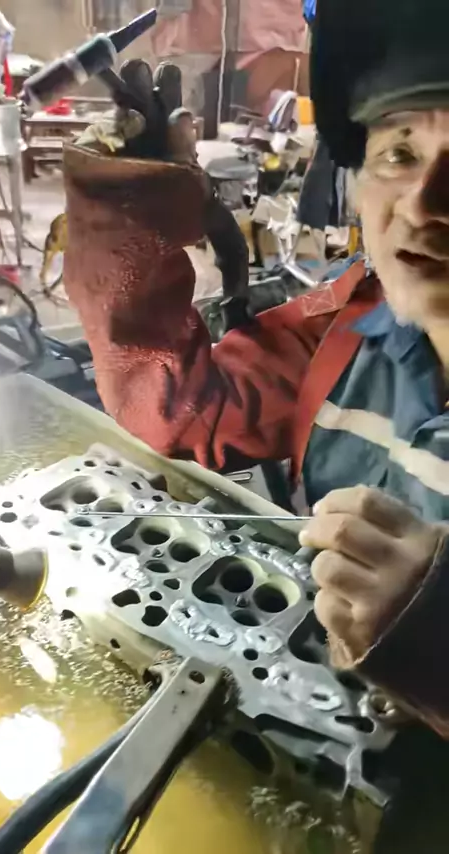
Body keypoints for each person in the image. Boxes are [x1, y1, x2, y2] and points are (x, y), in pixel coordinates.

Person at [62, 0, 449, 737]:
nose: (423, 204)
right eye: (399, 155)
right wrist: (130, 201)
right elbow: (181, 408)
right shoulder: (351, 329)